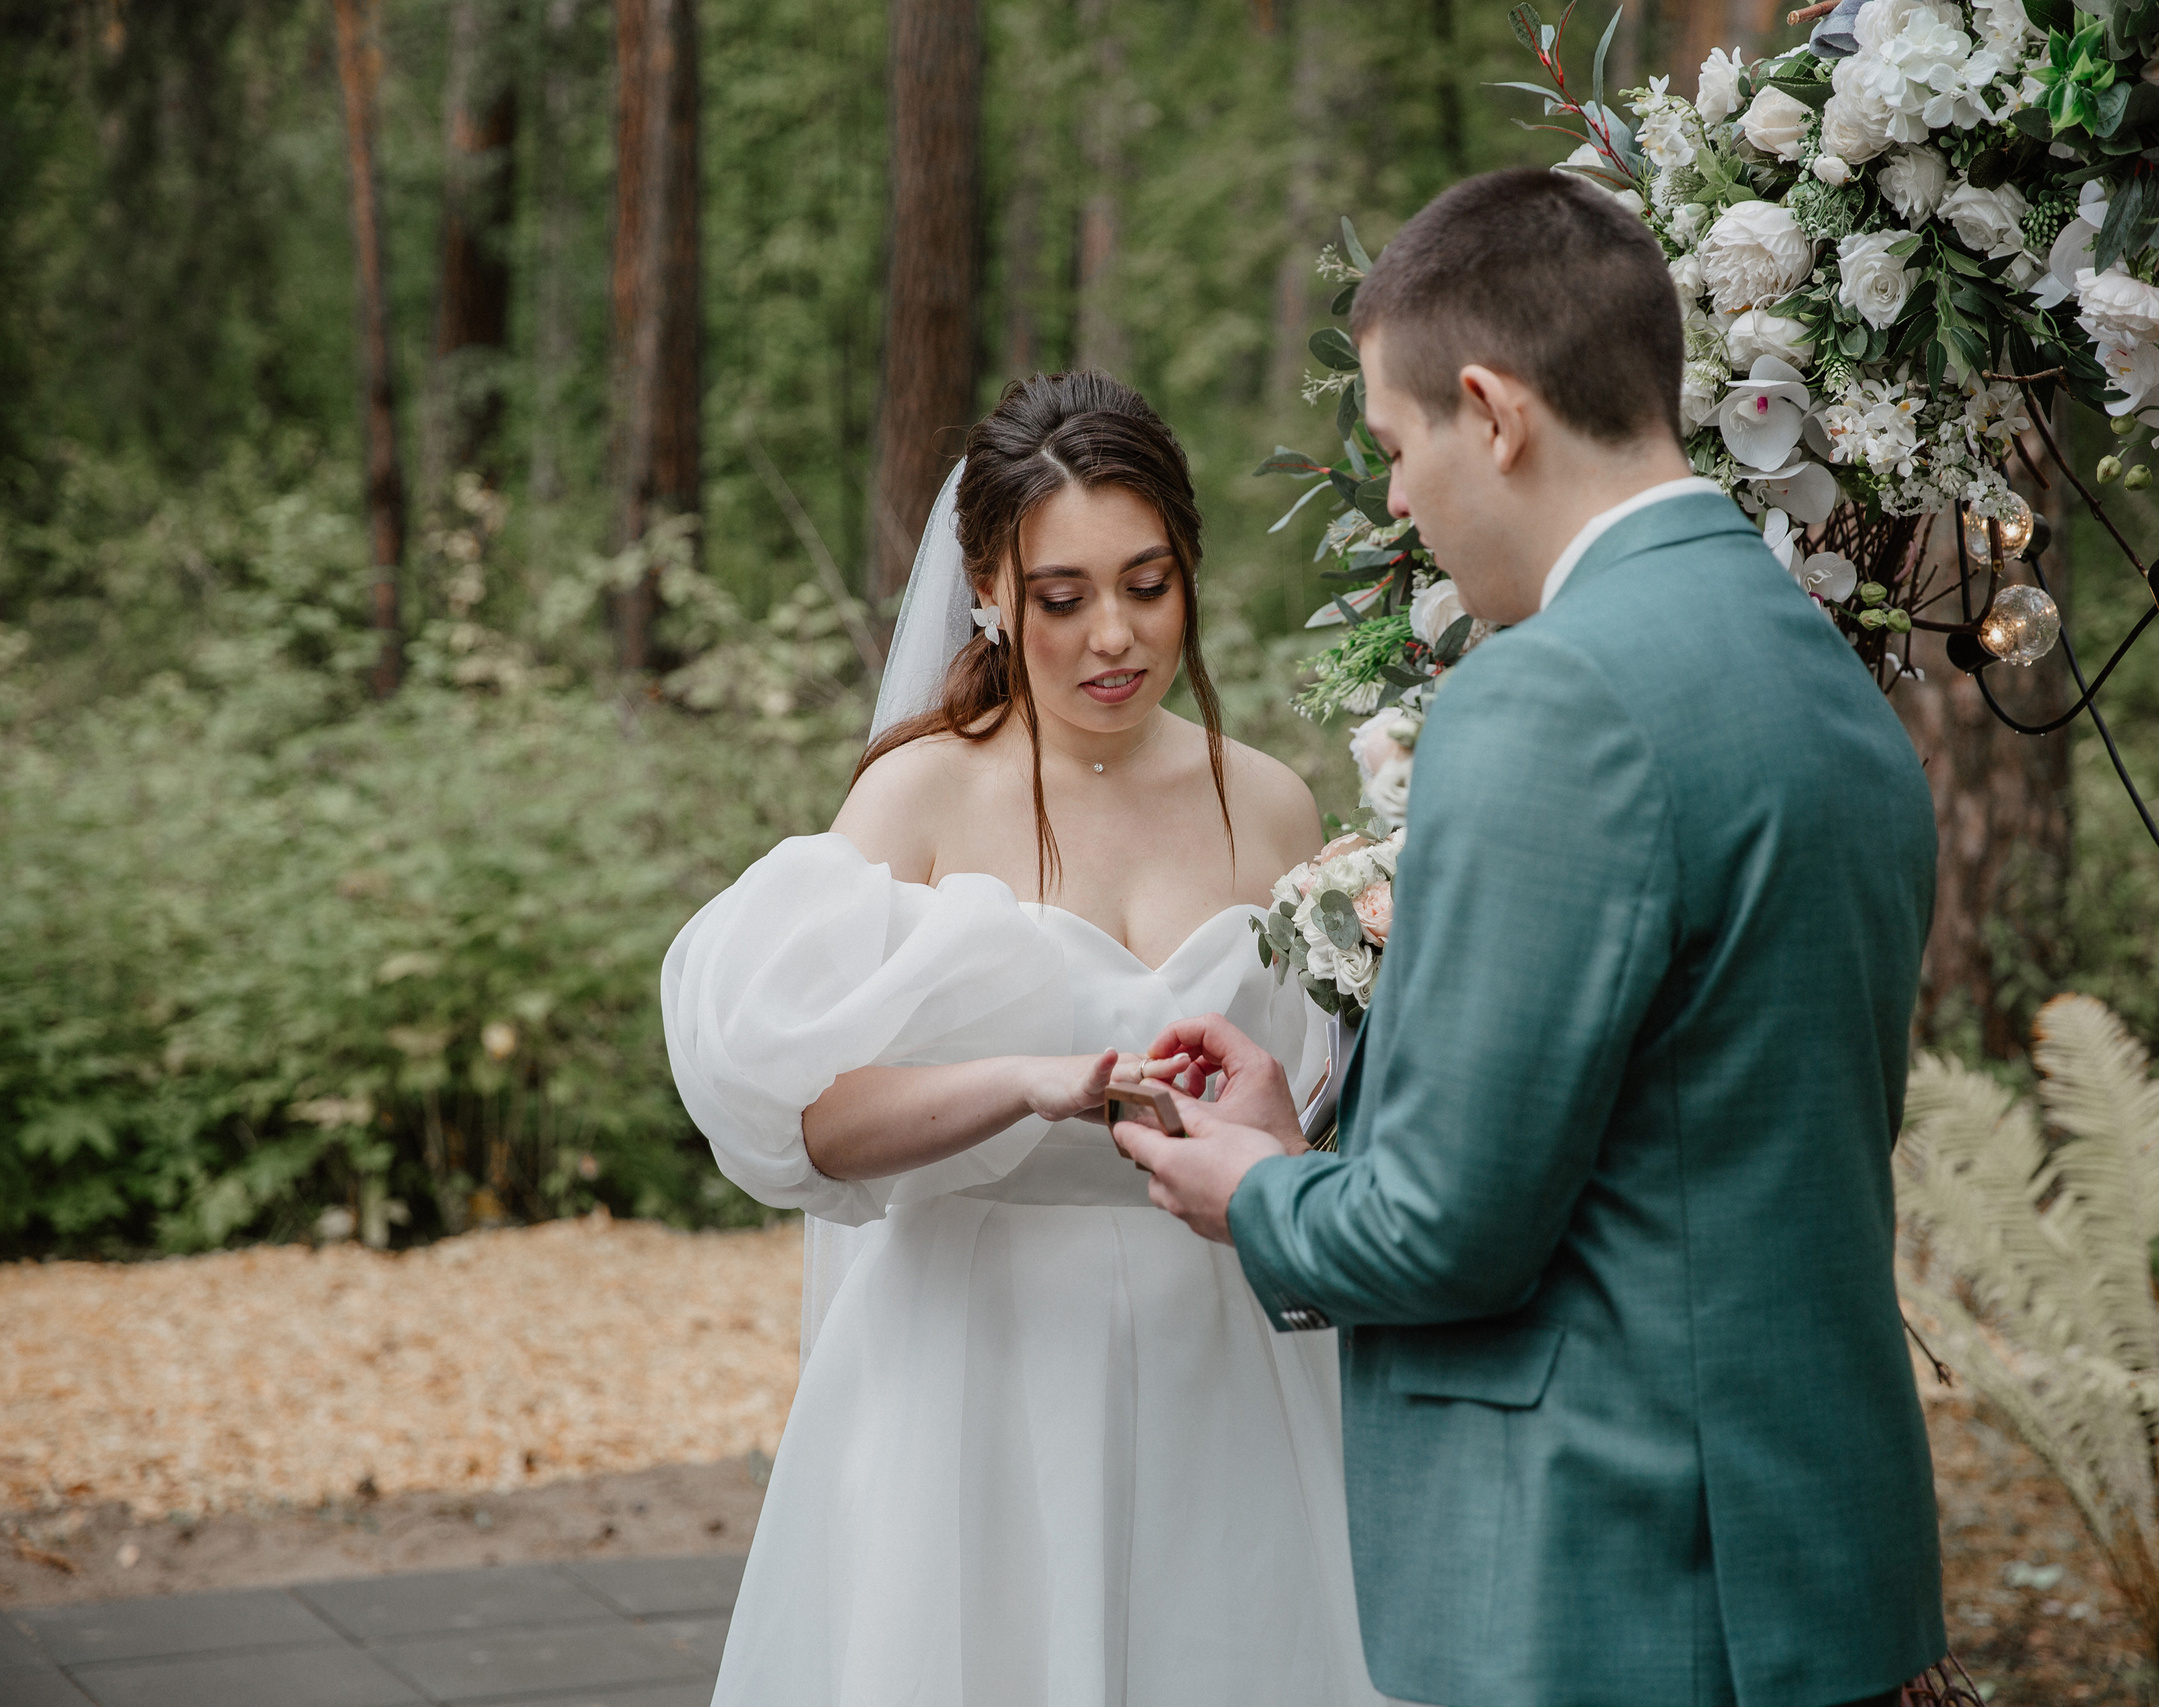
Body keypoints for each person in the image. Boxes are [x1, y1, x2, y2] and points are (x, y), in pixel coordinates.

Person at [1114, 168, 1949, 1707]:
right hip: (1812, 1565)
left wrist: (1256, 1190)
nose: (1395, 501)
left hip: (1601, 1578)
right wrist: (1312, 1118)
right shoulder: (1824, 681)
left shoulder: (1550, 692)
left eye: (1393, 444)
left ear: (1489, 410)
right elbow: (1686, 1124)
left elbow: (1445, 1230)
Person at [661, 372, 1389, 1706]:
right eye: (1063, 599)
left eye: (1147, 585)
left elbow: (1323, 1102)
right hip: (977, 1363)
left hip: (1225, 1354)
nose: (1113, 636)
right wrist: (1026, 1082)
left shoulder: (1273, 808)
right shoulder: (919, 794)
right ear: (991, 590)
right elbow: (813, 1123)